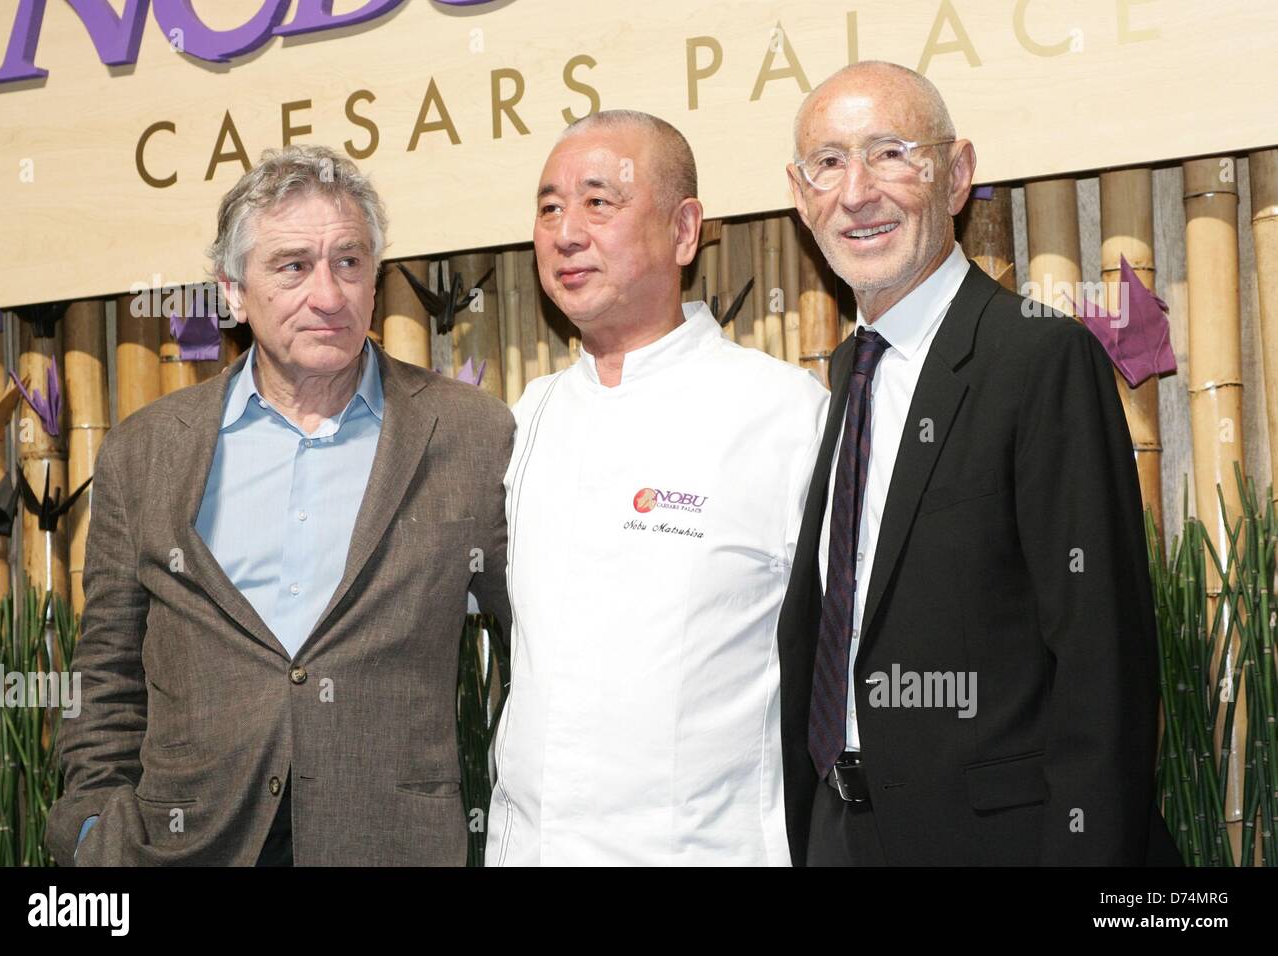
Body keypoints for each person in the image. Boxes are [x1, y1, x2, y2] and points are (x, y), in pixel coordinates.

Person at [46, 144, 513, 866]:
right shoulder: (145, 452)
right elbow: (107, 670)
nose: (328, 295)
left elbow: (542, 647)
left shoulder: (471, 434)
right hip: (182, 846)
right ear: (231, 291)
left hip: (389, 844)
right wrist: (92, 829)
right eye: (293, 266)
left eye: (350, 262)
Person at [777, 61, 1180, 865]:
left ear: (957, 175)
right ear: (800, 195)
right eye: (828, 162)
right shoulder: (846, 375)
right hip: (841, 836)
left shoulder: (1037, 357)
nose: (856, 191)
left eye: (891, 153)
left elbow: (1103, 662)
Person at [485, 110, 829, 865]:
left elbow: (846, 661)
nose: (565, 232)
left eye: (598, 202)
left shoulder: (782, 412)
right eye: (548, 207)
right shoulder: (530, 414)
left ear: (682, 231)